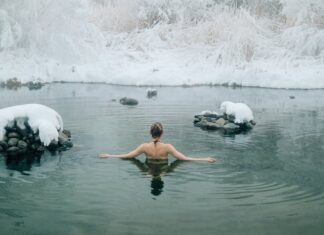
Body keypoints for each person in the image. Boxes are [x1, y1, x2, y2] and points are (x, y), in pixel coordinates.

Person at [99, 122, 216, 163]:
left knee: (146, 173)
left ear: (150, 133)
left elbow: (128, 156)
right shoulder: (168, 147)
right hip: (163, 170)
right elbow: (183, 158)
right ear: (162, 132)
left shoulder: (144, 147)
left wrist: (110, 155)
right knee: (164, 174)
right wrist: (204, 159)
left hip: (149, 169)